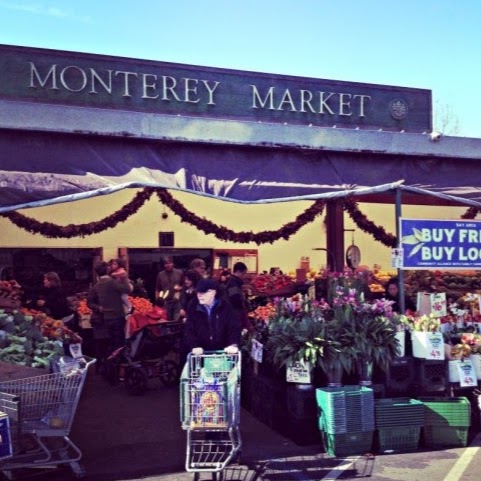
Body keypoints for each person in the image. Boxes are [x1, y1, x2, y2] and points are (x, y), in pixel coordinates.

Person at [87, 261, 133, 364]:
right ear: (107, 270)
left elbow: (89, 302)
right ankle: (119, 367)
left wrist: (99, 308)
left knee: (112, 343)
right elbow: (128, 290)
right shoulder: (111, 282)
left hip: (107, 318)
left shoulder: (96, 285)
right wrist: (124, 277)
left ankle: (111, 366)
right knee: (119, 344)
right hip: (118, 316)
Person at [183, 278, 241, 356]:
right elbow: (189, 329)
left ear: (213, 293)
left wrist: (233, 344)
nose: (200, 295)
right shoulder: (193, 306)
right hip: (200, 353)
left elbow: (234, 327)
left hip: (223, 352)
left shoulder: (226, 306)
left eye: (203, 292)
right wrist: (193, 346)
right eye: (198, 292)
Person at [155, 256, 184, 321]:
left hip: (177, 301)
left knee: (177, 320)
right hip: (166, 302)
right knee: (166, 320)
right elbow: (157, 289)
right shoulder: (160, 274)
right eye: (166, 264)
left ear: (172, 263)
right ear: (164, 265)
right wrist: (158, 302)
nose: (168, 265)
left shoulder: (179, 273)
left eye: (169, 263)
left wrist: (180, 288)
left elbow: (185, 286)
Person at [224, 262, 250, 331]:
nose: (244, 276)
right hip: (234, 312)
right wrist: (244, 303)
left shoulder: (234, 281)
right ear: (238, 272)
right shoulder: (233, 283)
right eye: (244, 273)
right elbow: (234, 299)